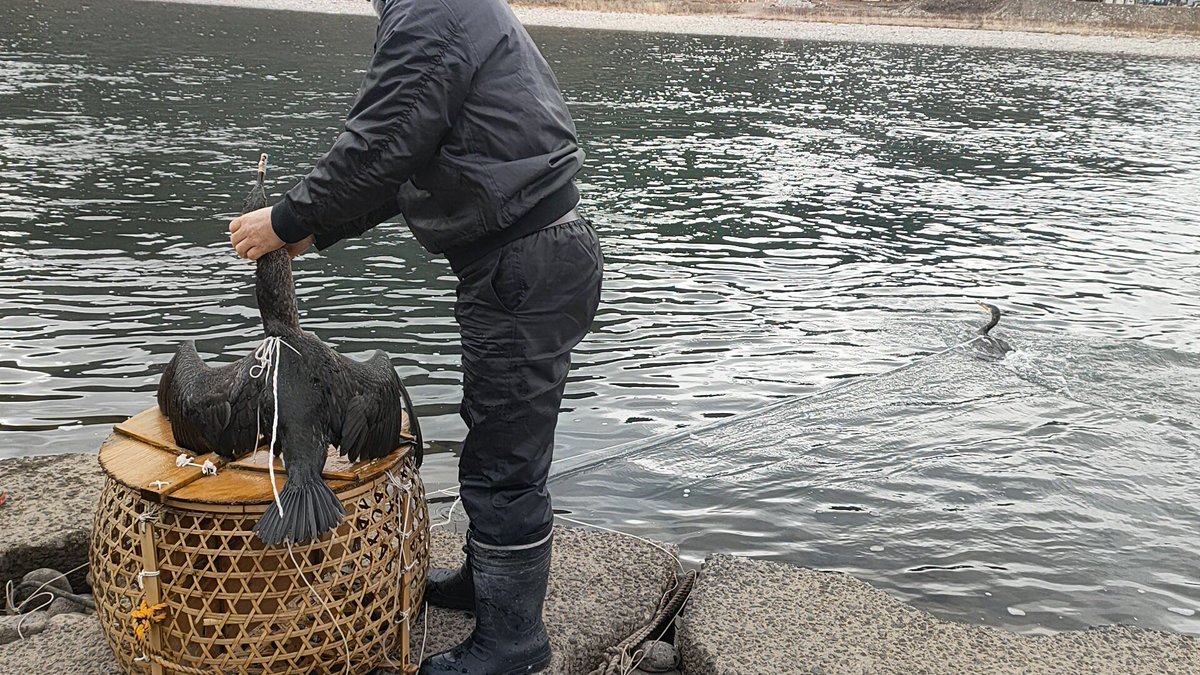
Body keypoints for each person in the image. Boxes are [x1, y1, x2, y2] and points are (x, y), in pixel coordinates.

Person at [227, 0, 603, 672]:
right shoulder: (450, 9)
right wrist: (319, 227)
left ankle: (513, 643)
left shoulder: (432, 9)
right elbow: (410, 155)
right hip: (534, 253)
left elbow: (380, 144)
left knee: (505, 462)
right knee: (495, 435)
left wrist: (283, 219)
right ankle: (486, 585)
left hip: (525, 260)